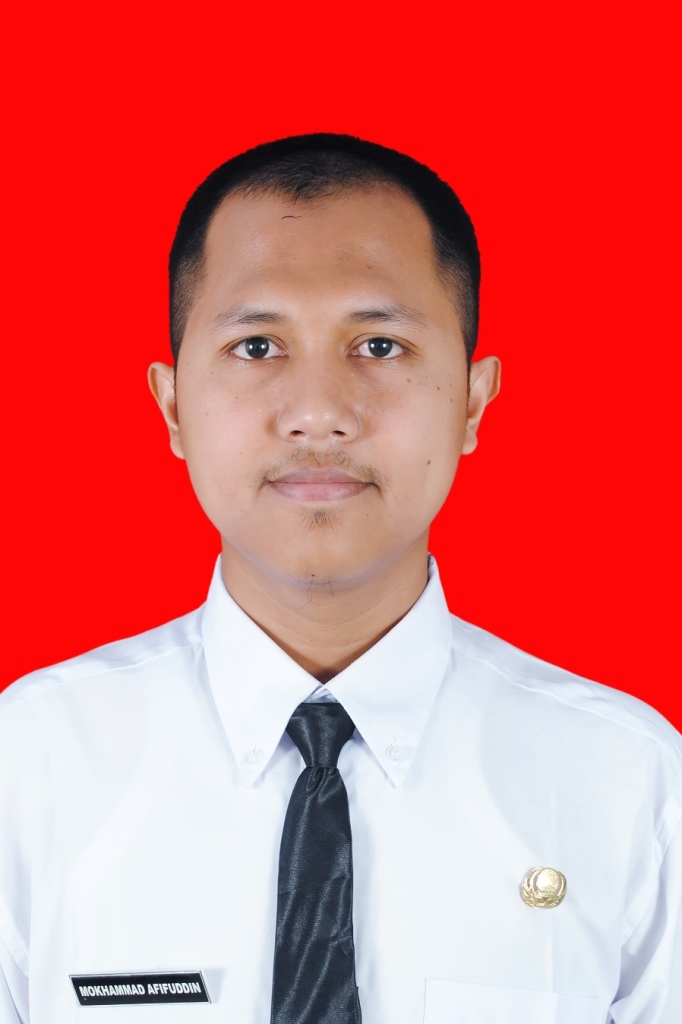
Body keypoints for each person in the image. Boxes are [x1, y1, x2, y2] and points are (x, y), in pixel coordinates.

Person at [0, 133, 680, 1024]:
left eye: (381, 345)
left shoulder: (627, 780)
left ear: (474, 400)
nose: (319, 413)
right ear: (171, 407)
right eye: (256, 346)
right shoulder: (29, 768)